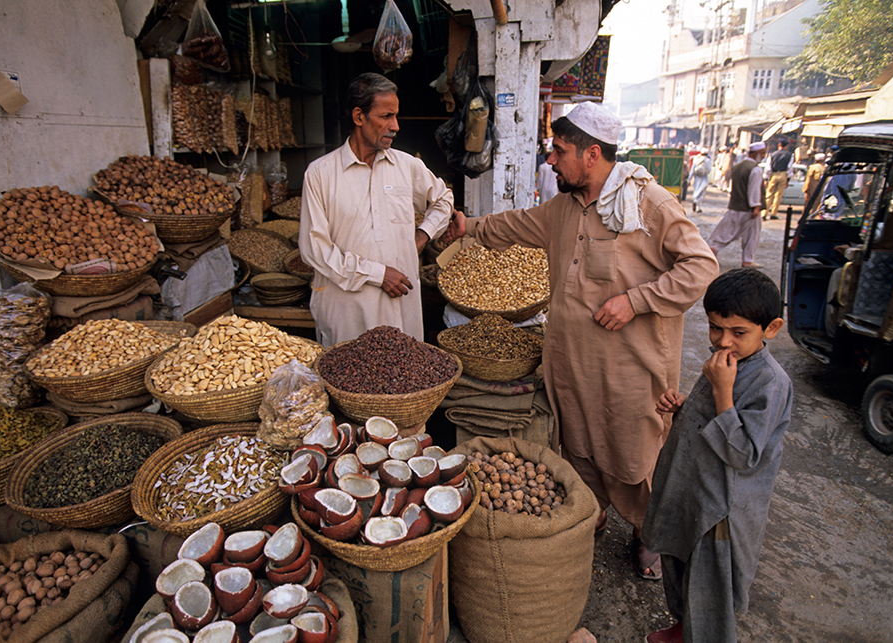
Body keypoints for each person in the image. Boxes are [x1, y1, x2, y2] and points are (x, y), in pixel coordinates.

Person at [441, 101, 719, 580]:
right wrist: (471, 227)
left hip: (630, 368)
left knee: (635, 452)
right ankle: (595, 511)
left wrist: (636, 301)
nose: (551, 160)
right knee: (580, 444)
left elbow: (701, 266)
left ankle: (647, 534)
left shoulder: (647, 202)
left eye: (560, 151)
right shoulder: (565, 206)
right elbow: (519, 224)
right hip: (572, 361)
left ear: (593, 155)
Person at [642, 268, 793, 643]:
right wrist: (683, 407)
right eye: (714, 328)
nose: (724, 342)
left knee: (709, 587)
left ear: (771, 328)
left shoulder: (770, 382)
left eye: (738, 333)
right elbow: (710, 415)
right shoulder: (724, 361)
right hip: (692, 486)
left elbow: (743, 454)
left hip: (721, 511)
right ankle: (682, 629)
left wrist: (723, 393)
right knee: (680, 565)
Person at [298, 73, 454, 347]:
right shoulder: (321, 174)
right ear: (359, 117)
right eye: (386, 116)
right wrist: (377, 274)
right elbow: (314, 248)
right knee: (349, 378)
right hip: (347, 308)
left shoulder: (407, 166)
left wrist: (421, 236)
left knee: (403, 377)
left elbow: (443, 200)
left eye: (395, 116)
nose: (395, 126)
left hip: (400, 306)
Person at [708, 142, 767, 268]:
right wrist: (756, 206)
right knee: (733, 232)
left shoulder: (739, 166)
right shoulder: (755, 170)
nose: (763, 156)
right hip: (747, 208)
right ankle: (714, 249)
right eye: (762, 153)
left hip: (737, 205)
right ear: (755, 153)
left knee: (749, 233)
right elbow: (754, 190)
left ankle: (747, 260)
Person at [762, 139, 792, 220]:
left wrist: (766, 178)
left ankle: (764, 213)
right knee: (778, 195)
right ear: (786, 146)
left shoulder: (772, 154)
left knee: (769, 194)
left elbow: (768, 167)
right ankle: (773, 214)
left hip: (773, 174)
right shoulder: (789, 155)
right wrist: (788, 180)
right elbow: (790, 168)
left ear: (779, 145)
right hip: (783, 174)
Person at [689, 148, 712, 212]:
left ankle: (695, 201)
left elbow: (692, 170)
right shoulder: (708, 160)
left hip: (697, 178)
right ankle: (698, 207)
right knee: (701, 193)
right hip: (704, 178)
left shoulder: (696, 160)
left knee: (696, 190)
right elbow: (709, 169)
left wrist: (689, 179)